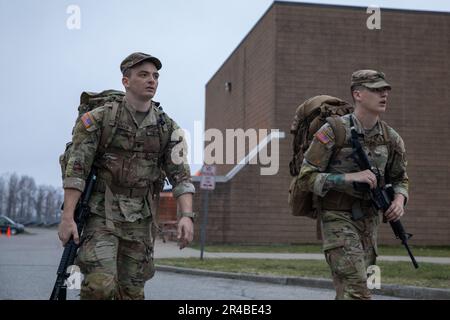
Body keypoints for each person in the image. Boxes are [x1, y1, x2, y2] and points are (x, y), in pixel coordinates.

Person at [58, 52, 196, 300]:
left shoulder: (168, 128)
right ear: (126, 81)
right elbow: (76, 170)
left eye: (155, 76)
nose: (151, 80)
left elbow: (181, 177)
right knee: (100, 287)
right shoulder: (99, 120)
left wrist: (186, 215)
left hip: (141, 220)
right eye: (143, 75)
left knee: (131, 292)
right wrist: (68, 216)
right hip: (101, 214)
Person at [298, 70, 409, 300]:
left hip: (370, 221)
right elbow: (305, 177)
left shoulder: (391, 138)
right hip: (337, 218)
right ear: (358, 94)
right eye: (376, 89)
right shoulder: (333, 131)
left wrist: (399, 200)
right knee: (358, 288)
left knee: (347, 290)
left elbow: (400, 179)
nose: (384, 94)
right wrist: (348, 178)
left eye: (385, 89)